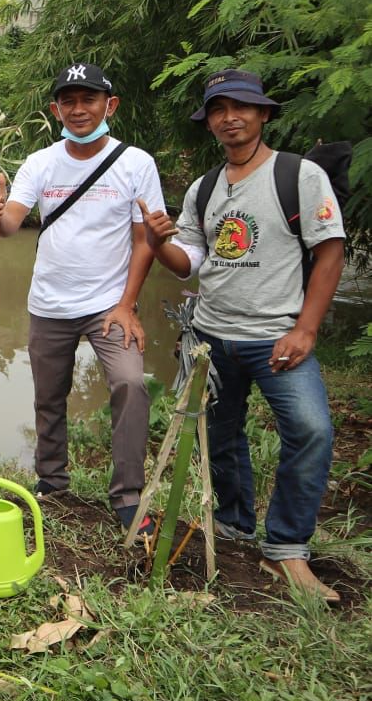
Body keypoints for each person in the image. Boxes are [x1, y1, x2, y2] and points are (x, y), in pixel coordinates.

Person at [140, 70, 344, 602]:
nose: (229, 117)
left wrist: (306, 328)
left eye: (241, 107)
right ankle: (233, 525)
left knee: (311, 430)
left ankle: (287, 549)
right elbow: (190, 262)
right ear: (209, 122)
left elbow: (329, 252)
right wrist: (159, 243)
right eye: (217, 109)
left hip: (276, 335)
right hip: (210, 336)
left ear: (264, 114)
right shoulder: (204, 188)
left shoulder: (297, 176)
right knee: (221, 435)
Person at [0, 63, 164, 534]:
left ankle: (127, 496)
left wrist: (128, 305)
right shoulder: (40, 163)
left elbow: (146, 240)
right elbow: (9, 227)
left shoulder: (136, 163)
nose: (79, 109)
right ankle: (52, 482)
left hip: (110, 305)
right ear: (56, 109)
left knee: (130, 384)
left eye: (89, 99)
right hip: (49, 304)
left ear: (111, 105)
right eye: (69, 101)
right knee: (49, 397)